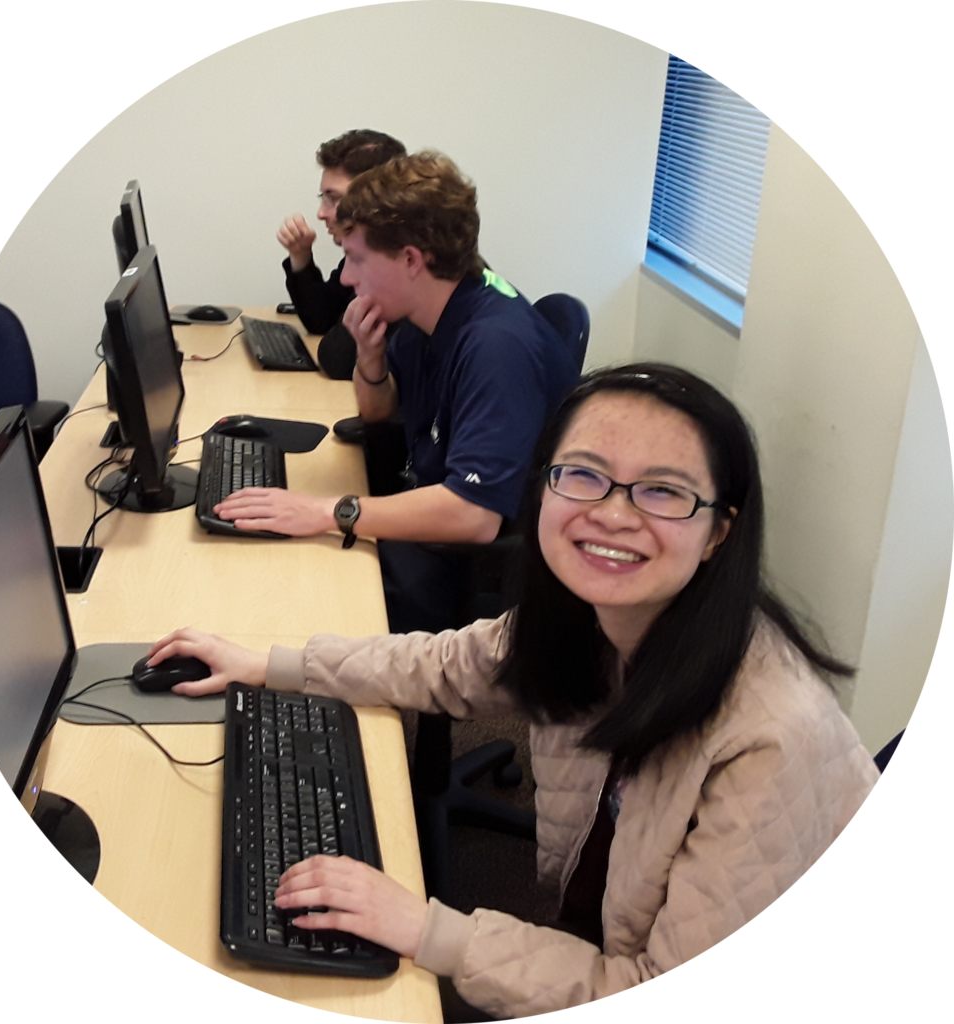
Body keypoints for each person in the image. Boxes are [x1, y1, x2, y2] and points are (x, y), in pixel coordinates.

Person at [147, 364, 923, 1021]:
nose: (611, 515)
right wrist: (270, 665)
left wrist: (429, 929)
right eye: (582, 475)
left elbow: (660, 1007)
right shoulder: (594, 616)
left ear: (720, 529)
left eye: (663, 491)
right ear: (544, 486)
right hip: (614, 947)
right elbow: (447, 665)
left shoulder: (767, 736)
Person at [222, 151, 580, 632]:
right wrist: (370, 359)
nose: (346, 277)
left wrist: (328, 511)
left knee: (289, 590)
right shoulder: (430, 306)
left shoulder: (496, 346)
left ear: (411, 259)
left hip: (462, 555)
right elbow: (379, 410)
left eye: (355, 258)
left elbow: (475, 516)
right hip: (426, 504)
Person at [278, 128, 406, 338]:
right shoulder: (361, 251)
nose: (321, 214)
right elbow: (321, 319)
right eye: (323, 197)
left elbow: (338, 358)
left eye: (334, 199)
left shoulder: (394, 264)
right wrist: (300, 256)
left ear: (377, 199)